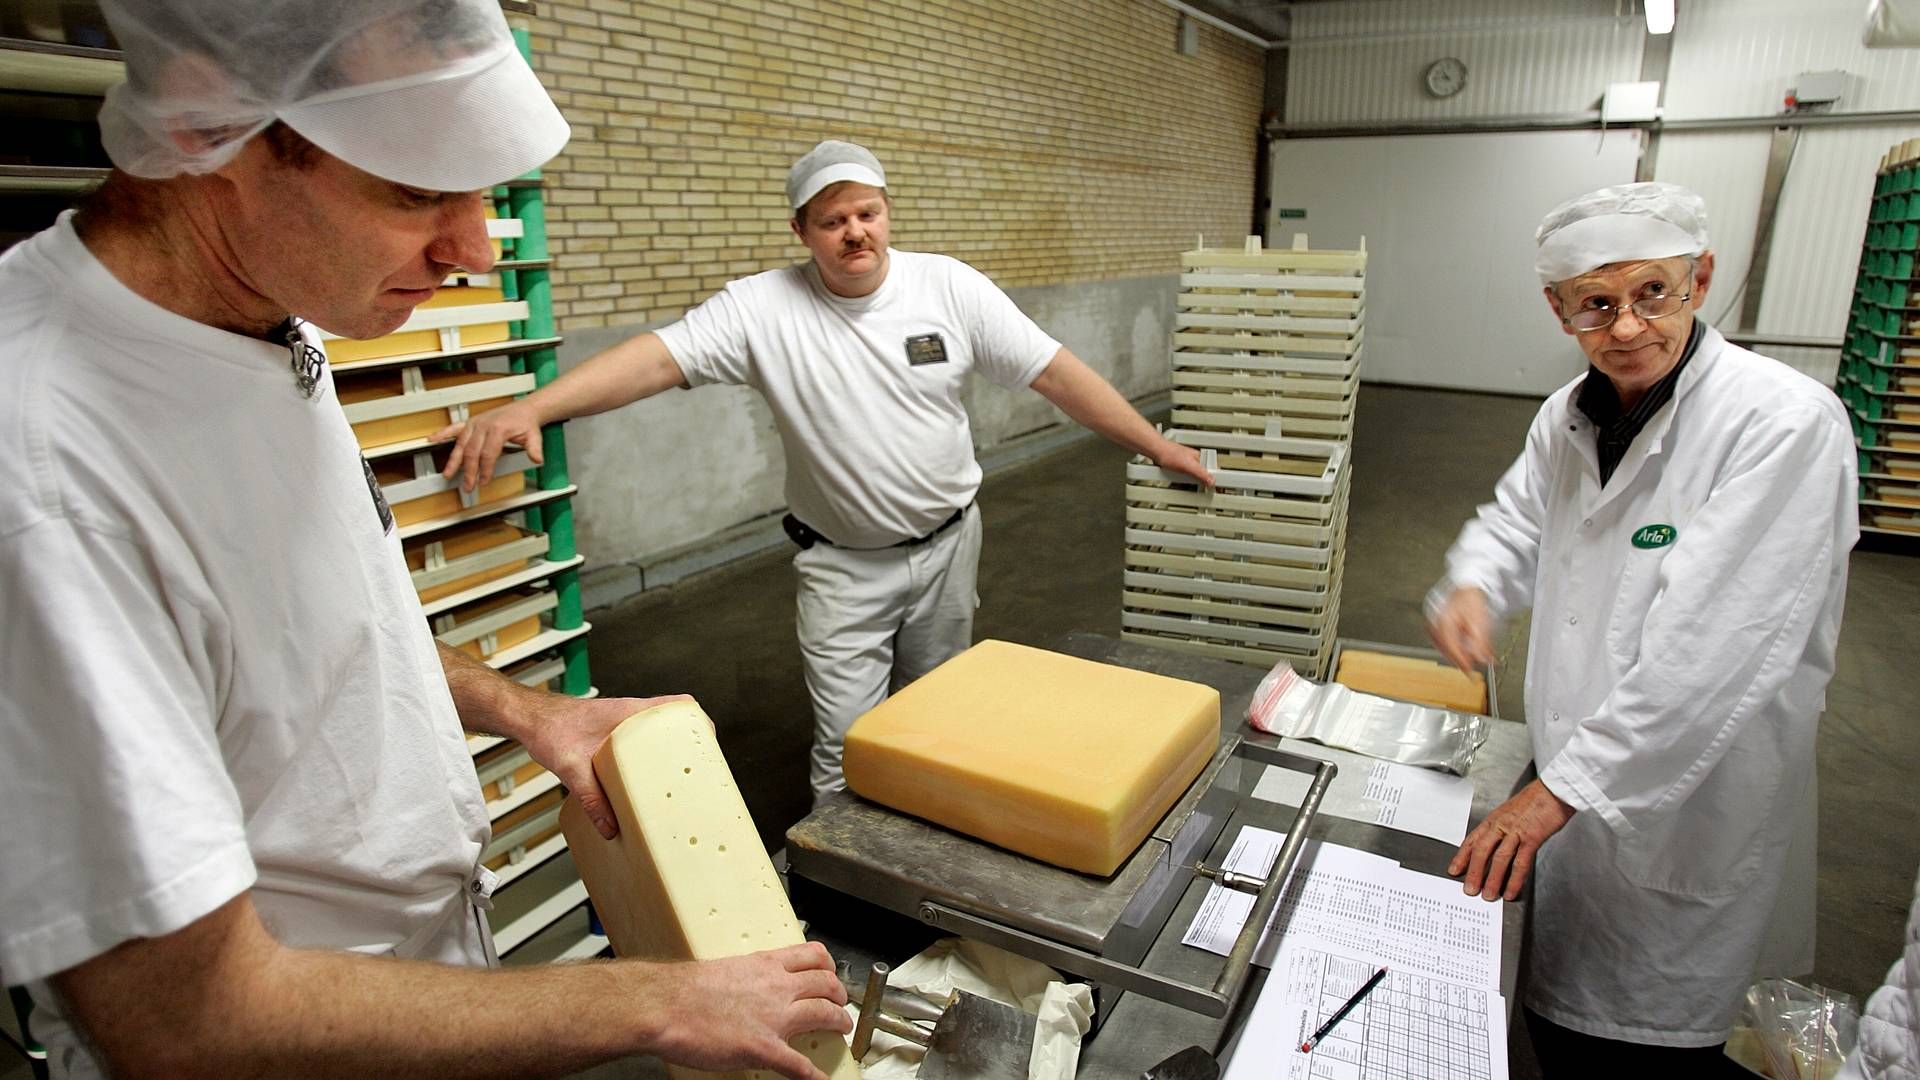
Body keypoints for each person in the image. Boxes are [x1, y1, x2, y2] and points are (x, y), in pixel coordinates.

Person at [0, 2, 850, 1077]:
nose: (474, 248)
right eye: (414, 192)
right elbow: (190, 1021)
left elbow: (317, 627)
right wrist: (647, 1001)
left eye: (481, 189)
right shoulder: (49, 470)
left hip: (411, 977)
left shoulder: (261, 313)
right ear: (205, 132)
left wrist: (527, 710)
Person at [439, 139, 1212, 802]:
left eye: (867, 213)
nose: (855, 233)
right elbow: (656, 358)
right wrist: (536, 408)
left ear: (887, 212)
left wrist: (1154, 444)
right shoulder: (761, 309)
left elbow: (1054, 372)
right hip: (843, 568)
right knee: (845, 748)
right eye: (833, 220)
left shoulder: (949, 287)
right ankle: (844, 901)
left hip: (948, 546)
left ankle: (928, 854)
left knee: (939, 713)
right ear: (801, 230)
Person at [1426, 182, 1856, 1071]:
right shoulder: (1569, 415)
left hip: (1686, 802)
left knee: (1652, 1050)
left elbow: (1713, 658)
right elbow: (1515, 522)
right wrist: (1475, 585)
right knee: (1555, 1020)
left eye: (1654, 293)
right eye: (1597, 305)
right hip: (1570, 774)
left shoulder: (1782, 423)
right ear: (1560, 311)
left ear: (1701, 278)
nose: (1626, 328)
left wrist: (1549, 796)